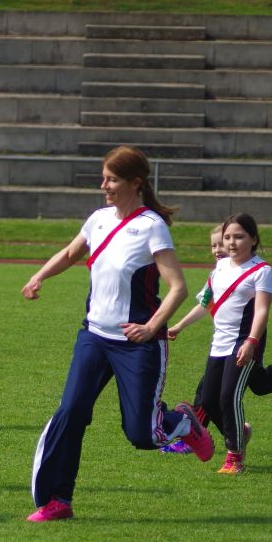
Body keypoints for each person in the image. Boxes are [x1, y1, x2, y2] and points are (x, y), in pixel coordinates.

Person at [21, 145, 213, 522]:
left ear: (135, 182)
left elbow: (178, 287)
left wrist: (152, 327)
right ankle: (57, 500)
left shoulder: (152, 227)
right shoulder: (98, 219)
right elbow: (71, 254)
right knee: (70, 412)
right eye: (103, 178)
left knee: (142, 434)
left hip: (137, 344)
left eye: (111, 179)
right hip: (93, 337)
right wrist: (39, 276)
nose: (103, 186)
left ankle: (182, 421)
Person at [167, 214, 272, 474]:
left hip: (243, 343)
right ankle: (240, 432)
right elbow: (206, 305)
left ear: (253, 239)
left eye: (239, 236)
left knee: (228, 397)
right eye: (227, 237)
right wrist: (179, 326)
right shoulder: (219, 268)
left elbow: (262, 311)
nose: (231, 242)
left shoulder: (261, 271)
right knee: (208, 400)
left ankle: (234, 458)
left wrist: (251, 342)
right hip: (218, 344)